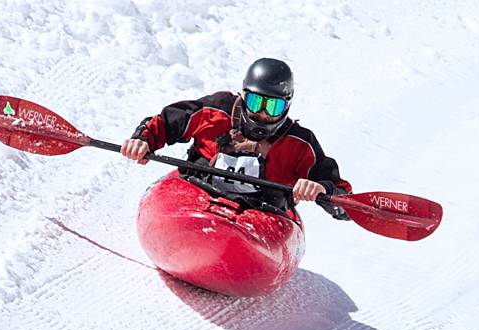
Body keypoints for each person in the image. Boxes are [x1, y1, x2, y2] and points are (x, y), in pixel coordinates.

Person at [121, 58, 352, 220]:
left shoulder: (301, 144)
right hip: (197, 193)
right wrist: (143, 139)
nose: (262, 113)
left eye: (273, 106)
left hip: (261, 216)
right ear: (243, 95)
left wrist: (321, 189)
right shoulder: (216, 110)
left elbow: (345, 201)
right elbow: (167, 122)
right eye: (255, 102)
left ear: (287, 106)